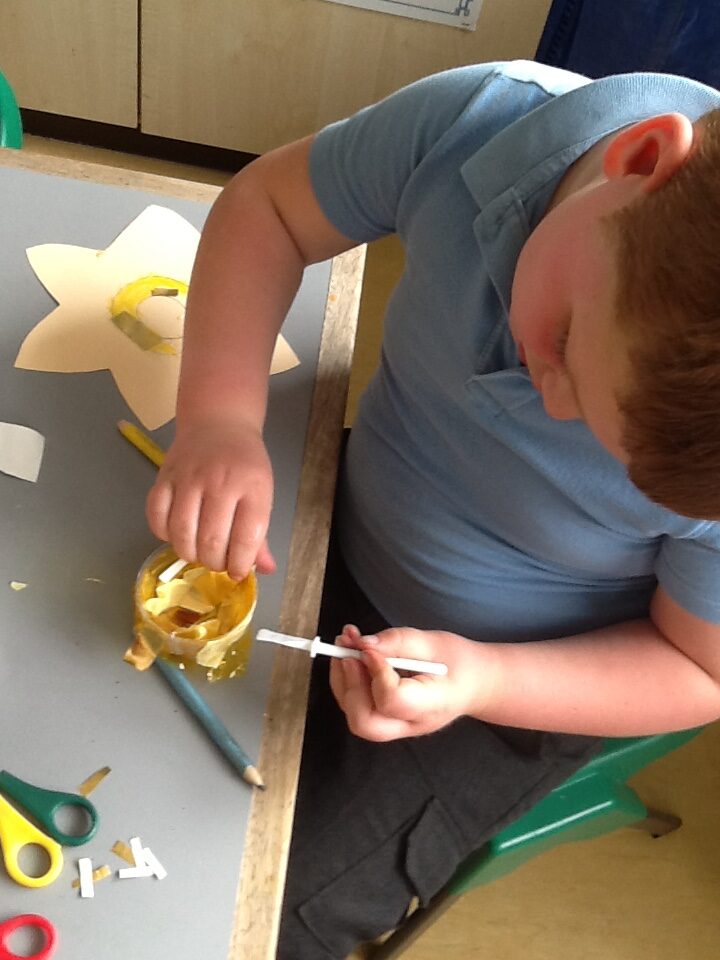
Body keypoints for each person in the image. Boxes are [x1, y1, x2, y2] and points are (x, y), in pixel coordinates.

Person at [145, 60, 720, 958]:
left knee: (250, 918)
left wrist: (486, 680)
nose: (550, 404)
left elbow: (697, 669)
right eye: (566, 340)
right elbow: (270, 209)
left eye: (607, 448)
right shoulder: (481, 123)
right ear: (641, 158)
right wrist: (220, 418)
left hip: (505, 688)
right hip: (338, 510)